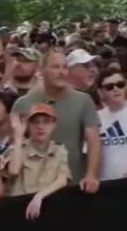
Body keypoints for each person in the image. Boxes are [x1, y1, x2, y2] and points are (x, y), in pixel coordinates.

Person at [12, 49, 102, 192]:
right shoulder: (23, 104)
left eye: (65, 67)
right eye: (55, 67)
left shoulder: (83, 100)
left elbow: (93, 140)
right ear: (42, 70)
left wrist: (91, 175)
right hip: (32, 188)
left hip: (72, 185)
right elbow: (14, 144)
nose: (61, 72)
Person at [7, 104, 71, 221]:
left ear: (54, 125)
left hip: (47, 208)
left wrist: (39, 196)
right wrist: (18, 137)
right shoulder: (17, 148)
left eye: (46, 122)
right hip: (19, 210)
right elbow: (13, 171)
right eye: (35, 122)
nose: (40, 126)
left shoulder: (59, 149)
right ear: (28, 125)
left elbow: (63, 179)